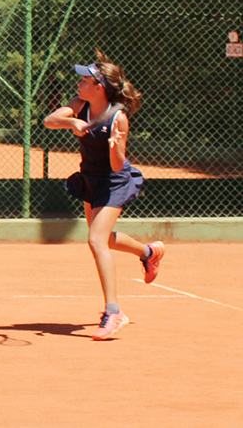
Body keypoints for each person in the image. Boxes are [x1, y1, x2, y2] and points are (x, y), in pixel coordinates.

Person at [43, 49, 164, 341]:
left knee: (96, 239)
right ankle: (149, 252)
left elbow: (117, 164)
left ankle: (114, 312)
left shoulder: (118, 117)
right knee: (104, 238)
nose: (79, 83)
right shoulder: (79, 105)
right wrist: (72, 122)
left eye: (84, 79)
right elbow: (50, 119)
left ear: (99, 86)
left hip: (115, 181)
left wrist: (114, 146)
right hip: (90, 179)